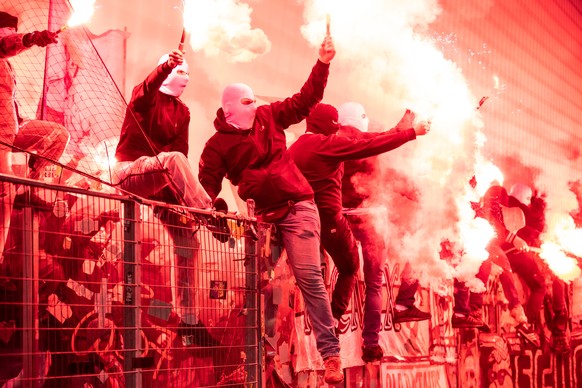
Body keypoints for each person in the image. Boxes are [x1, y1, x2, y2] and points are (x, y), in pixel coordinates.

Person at [198, 36, 344, 384]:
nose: (254, 105)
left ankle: (331, 356)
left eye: (254, 99)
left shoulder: (269, 115)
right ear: (229, 110)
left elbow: (305, 100)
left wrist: (322, 63)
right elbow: (206, 184)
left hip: (298, 209)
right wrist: (210, 208)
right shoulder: (217, 145)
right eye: (245, 101)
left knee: (310, 278)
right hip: (262, 220)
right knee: (256, 286)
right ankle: (252, 359)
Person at [289, 101, 429, 363]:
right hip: (367, 219)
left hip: (336, 217)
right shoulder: (356, 141)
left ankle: (330, 323)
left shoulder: (329, 140)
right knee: (373, 282)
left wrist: (406, 120)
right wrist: (408, 127)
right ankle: (371, 343)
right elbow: (383, 139)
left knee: (332, 270)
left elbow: (383, 136)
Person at [112, 49, 219, 347]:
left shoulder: (183, 112)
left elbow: (181, 155)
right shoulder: (145, 96)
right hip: (129, 172)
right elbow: (144, 90)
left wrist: (182, 204)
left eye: (187, 72)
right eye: (179, 70)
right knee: (170, 160)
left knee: (187, 241)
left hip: (162, 179)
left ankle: (188, 322)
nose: (185, 76)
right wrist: (163, 67)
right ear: (166, 69)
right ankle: (209, 214)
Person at [1, 11, 69, 276]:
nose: (9, 36)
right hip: (0, 140)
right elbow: (8, 44)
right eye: (7, 31)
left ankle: (33, 185)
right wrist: (31, 38)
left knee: (58, 134)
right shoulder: (4, 49)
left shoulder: (7, 65)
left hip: (15, 128)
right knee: (4, 195)